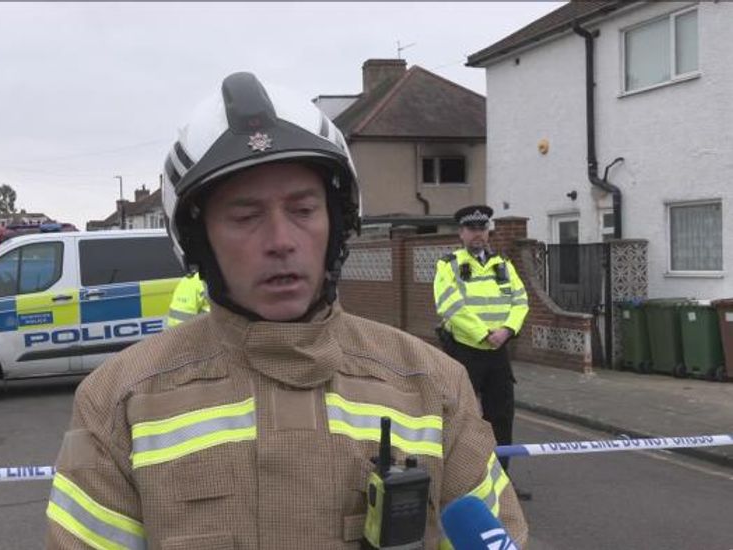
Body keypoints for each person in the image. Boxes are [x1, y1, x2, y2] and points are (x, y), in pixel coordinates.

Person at [46, 73, 527, 549]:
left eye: (302, 210)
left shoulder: (435, 387)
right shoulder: (115, 404)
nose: (280, 242)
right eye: (245, 216)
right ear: (199, 241)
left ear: (336, 223)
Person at [433, 205, 531, 500]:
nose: (478, 234)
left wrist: (507, 331)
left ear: (488, 231)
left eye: (482, 228)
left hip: (497, 352)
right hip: (464, 352)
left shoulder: (503, 264)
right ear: (461, 233)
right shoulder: (448, 265)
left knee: (501, 418)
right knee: (459, 418)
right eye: (471, 229)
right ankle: (457, 484)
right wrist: (483, 333)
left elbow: (521, 300)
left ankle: (501, 484)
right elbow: (449, 306)